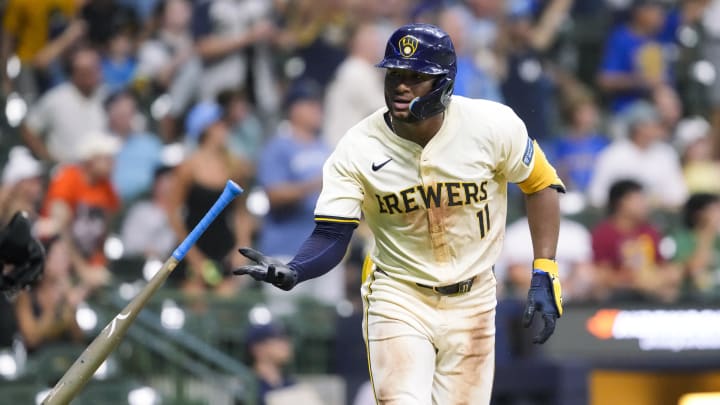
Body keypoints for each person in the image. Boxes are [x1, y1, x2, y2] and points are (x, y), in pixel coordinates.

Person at [234, 24, 565, 404]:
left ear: (444, 82)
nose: (400, 86)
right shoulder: (358, 146)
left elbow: (540, 184)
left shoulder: (492, 125)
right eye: (394, 74)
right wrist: (297, 269)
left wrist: (545, 269)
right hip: (398, 295)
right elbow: (331, 234)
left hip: (474, 297)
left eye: (415, 77)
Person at [591, 179, 681, 302]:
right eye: (639, 200)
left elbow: (662, 265)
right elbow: (602, 272)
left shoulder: (650, 231)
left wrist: (659, 277)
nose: (645, 205)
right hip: (619, 290)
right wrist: (632, 280)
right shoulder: (604, 233)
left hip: (650, 286)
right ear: (621, 203)